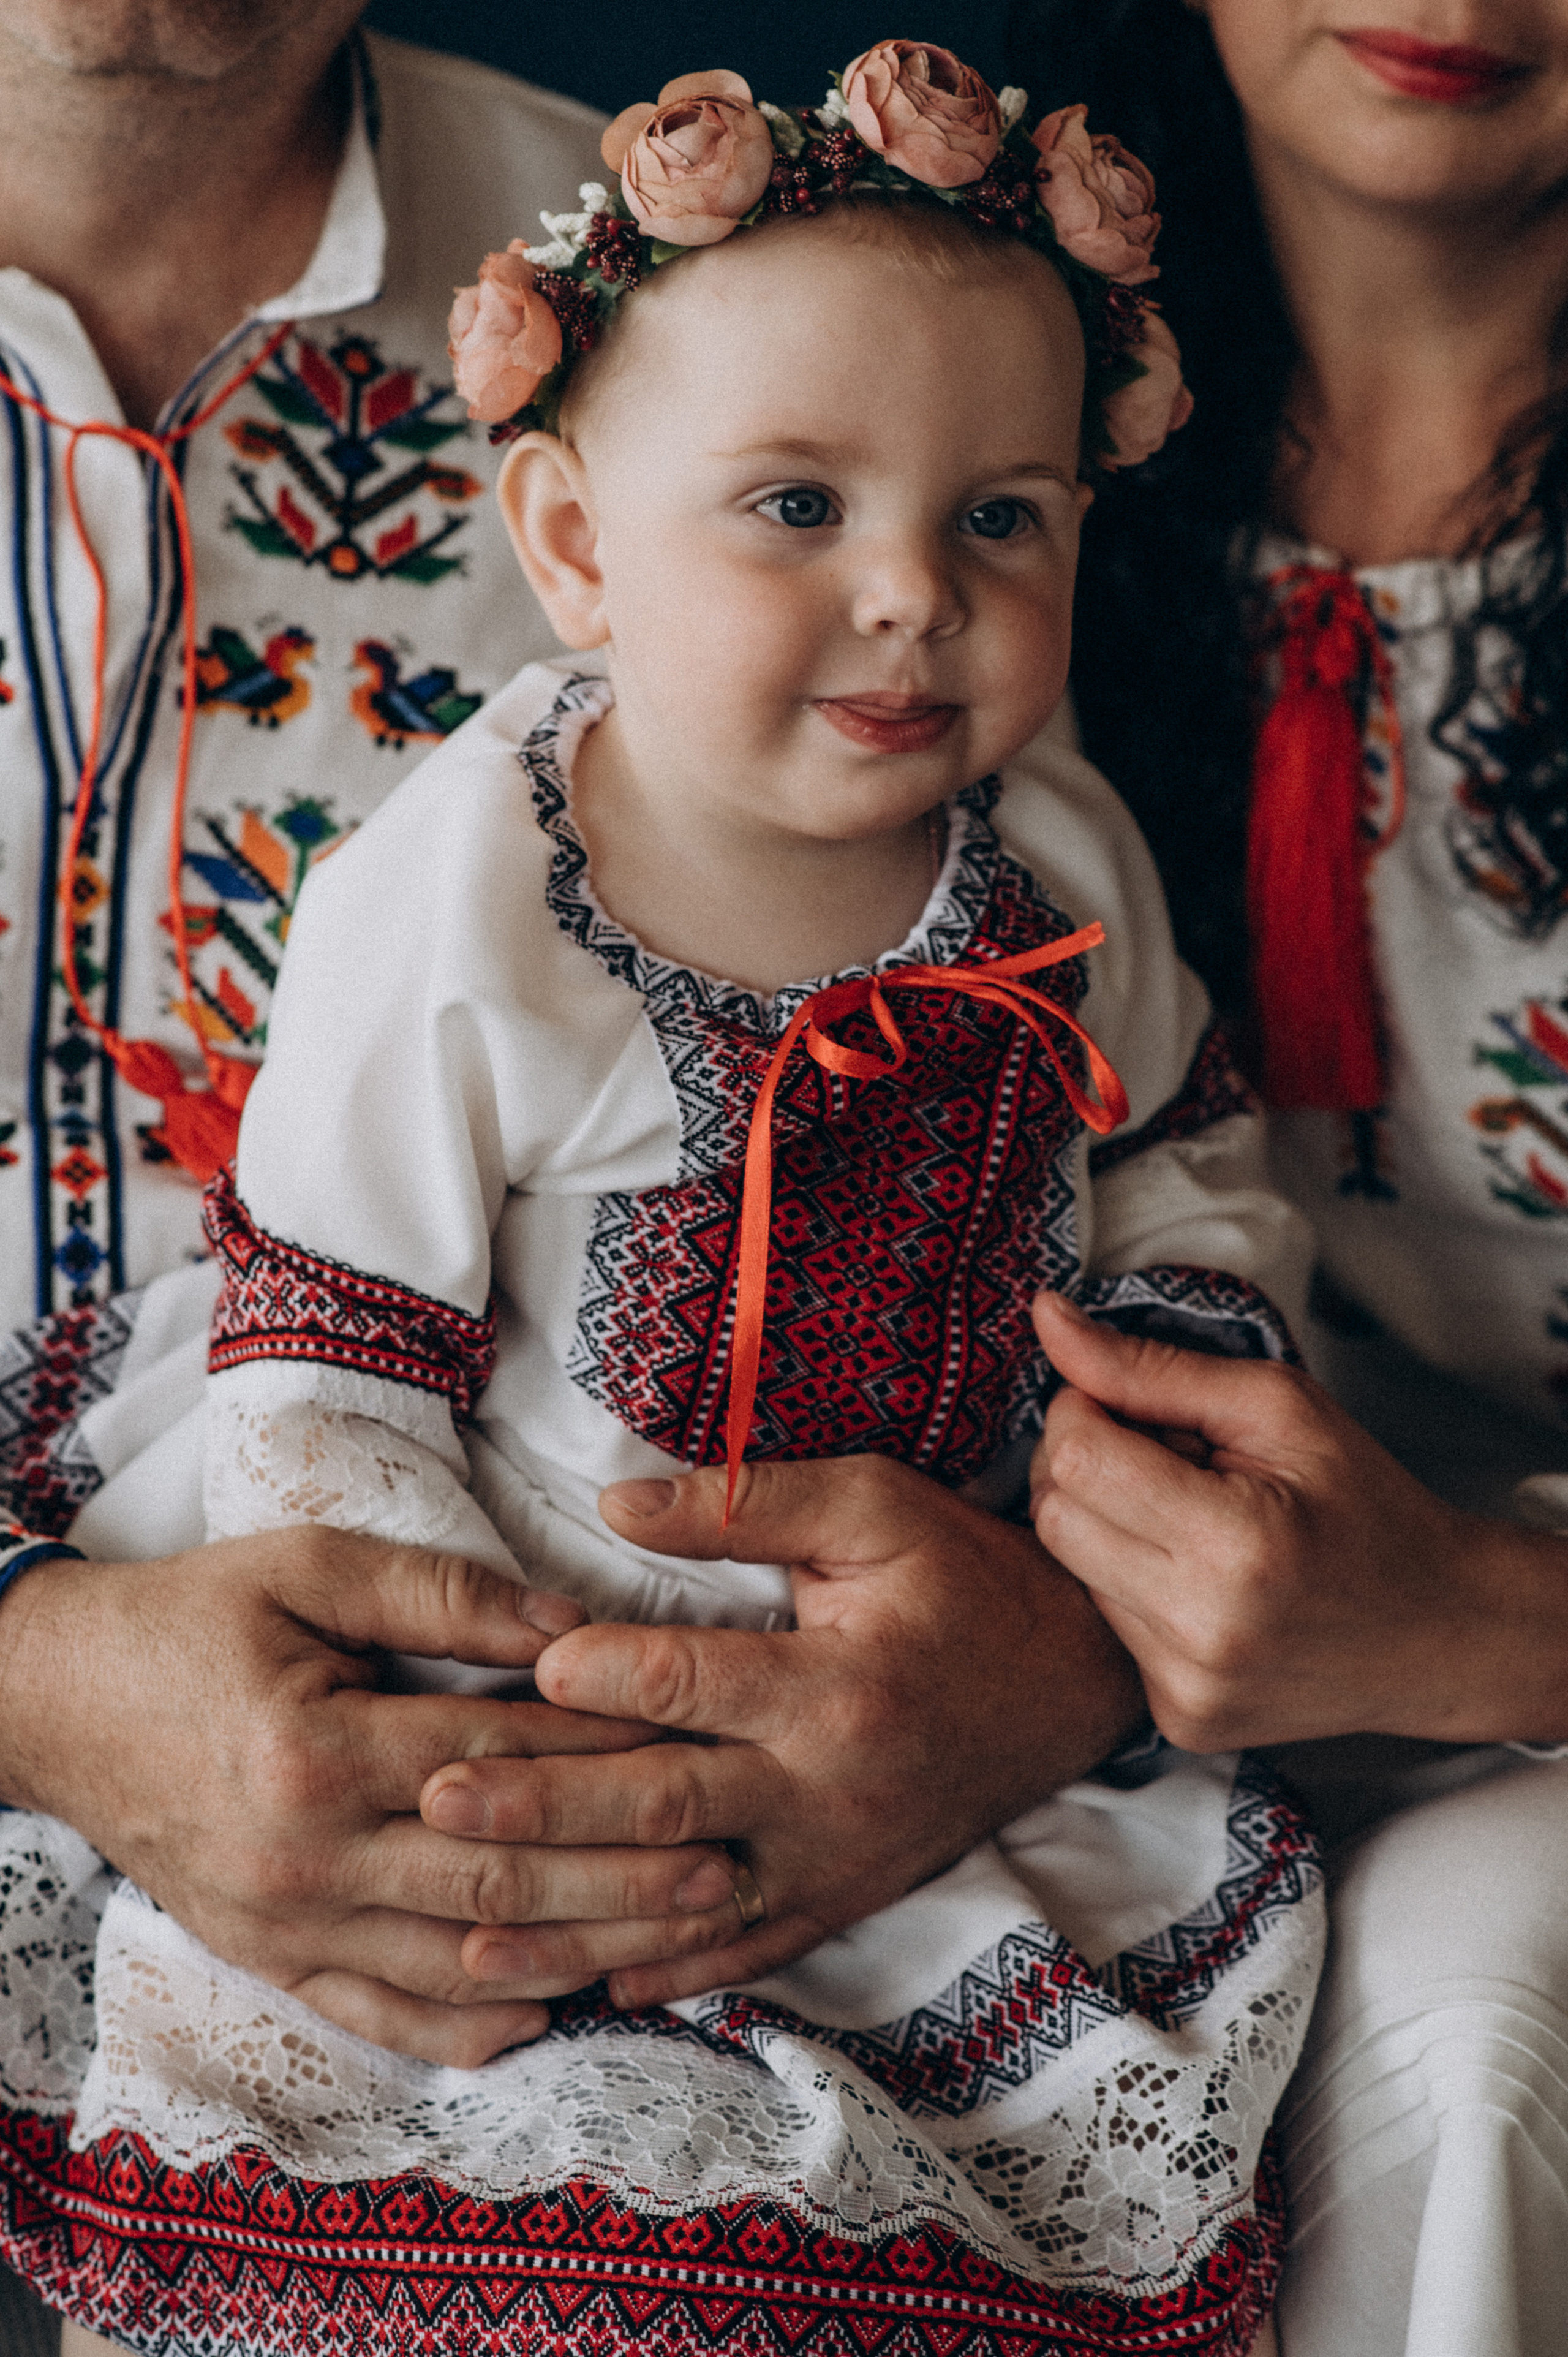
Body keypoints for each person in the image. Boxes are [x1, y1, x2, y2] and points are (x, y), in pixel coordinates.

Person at [12, 42, 1316, 2357]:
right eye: (801, 512)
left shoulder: (1060, 862)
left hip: (913, 1633)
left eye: (1002, 519)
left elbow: (1182, 1156)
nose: (915, 594)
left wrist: (1156, 1424)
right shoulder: (477, 888)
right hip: (486, 1617)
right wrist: (432, 1724)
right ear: (576, 544)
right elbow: (330, 1351)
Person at [1002, 0, 1568, 2347]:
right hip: (1094, 1676)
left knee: (1468, 2024)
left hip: (1512, 1690)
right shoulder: (967, 438)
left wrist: (1471, 1625)